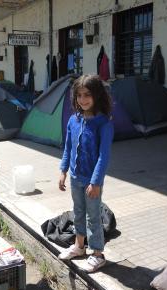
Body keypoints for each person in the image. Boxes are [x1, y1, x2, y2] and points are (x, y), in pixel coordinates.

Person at [58, 74, 114, 273]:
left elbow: (104, 156)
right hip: (75, 177)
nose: (83, 100)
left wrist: (96, 182)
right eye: (79, 95)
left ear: (97, 96)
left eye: (87, 95)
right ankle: (79, 246)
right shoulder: (74, 120)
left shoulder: (104, 123)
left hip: (92, 182)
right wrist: (63, 170)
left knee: (93, 216)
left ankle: (98, 254)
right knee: (78, 213)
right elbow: (67, 147)